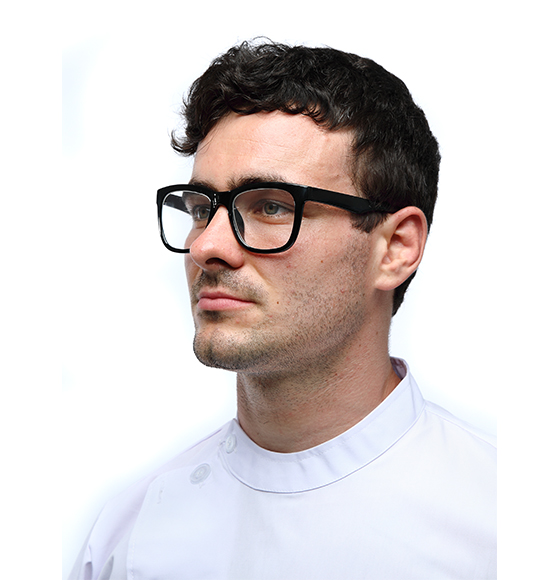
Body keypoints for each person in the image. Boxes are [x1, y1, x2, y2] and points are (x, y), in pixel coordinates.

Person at [69, 40, 496, 580]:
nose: (206, 247)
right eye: (201, 209)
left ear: (395, 248)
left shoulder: (504, 525)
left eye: (271, 206)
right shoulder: (130, 540)